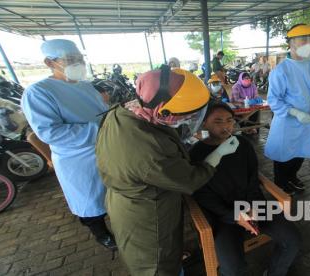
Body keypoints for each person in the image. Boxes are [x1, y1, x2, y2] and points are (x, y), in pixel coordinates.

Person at [95, 65, 239, 275]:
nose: (188, 120)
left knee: (164, 257)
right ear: (164, 111)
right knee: (157, 265)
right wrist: (216, 155)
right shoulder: (151, 148)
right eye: (186, 116)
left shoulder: (126, 110)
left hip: (126, 198)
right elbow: (190, 180)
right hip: (147, 214)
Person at [21, 39, 116, 249]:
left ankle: (120, 224)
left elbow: (102, 113)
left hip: (106, 148)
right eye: (71, 59)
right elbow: (49, 132)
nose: (78, 63)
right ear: (49, 62)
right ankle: (101, 233)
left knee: (113, 193)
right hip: (77, 158)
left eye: (80, 58)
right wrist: (100, 130)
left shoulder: (86, 86)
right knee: (89, 199)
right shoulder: (38, 92)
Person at [189, 103, 301, 276]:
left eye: (229, 120)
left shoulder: (242, 144)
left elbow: (252, 178)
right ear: (204, 123)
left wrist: (252, 207)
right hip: (222, 217)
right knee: (233, 269)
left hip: (252, 205)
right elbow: (202, 196)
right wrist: (235, 216)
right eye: (218, 121)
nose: (226, 126)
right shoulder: (196, 154)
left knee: (292, 240)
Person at [264, 24, 310, 195]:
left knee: (300, 152)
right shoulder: (281, 70)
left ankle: (292, 176)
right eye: (303, 39)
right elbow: (274, 99)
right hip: (287, 121)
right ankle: (281, 183)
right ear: (291, 43)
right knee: (283, 155)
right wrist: (296, 112)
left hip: (306, 121)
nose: (309, 43)